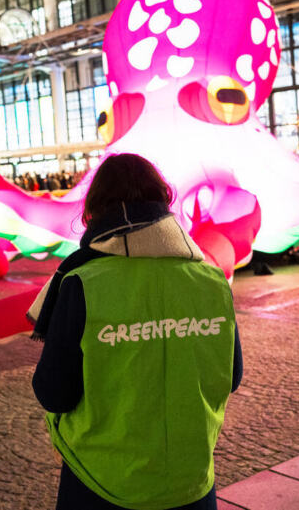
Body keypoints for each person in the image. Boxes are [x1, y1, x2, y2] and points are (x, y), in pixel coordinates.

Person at [30, 153, 243, 510]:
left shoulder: (82, 283)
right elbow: (230, 376)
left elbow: (54, 393)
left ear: (93, 212)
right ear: (164, 204)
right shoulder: (211, 279)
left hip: (99, 483)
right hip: (192, 483)